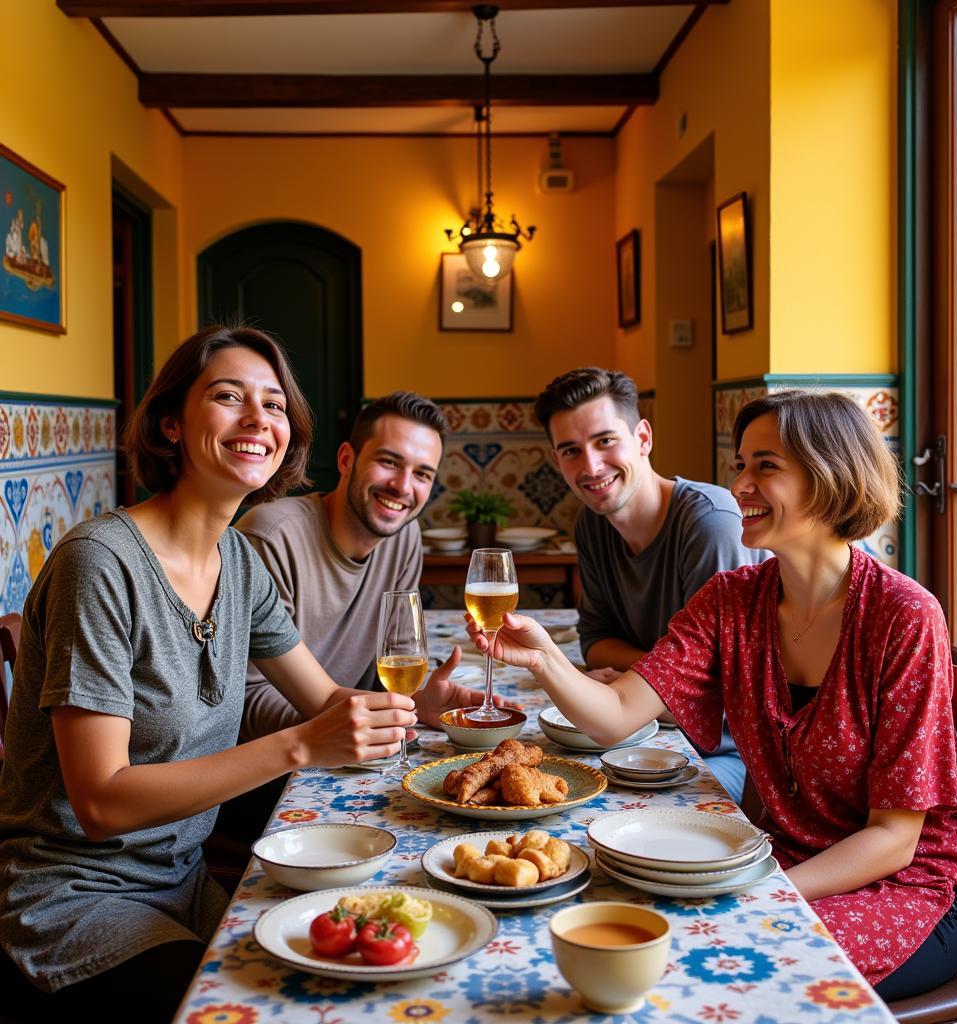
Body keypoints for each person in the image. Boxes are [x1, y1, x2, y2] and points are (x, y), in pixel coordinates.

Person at [468, 389, 957, 999]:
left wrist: (757, 889)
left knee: (721, 961)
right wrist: (544, 659)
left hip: (910, 887)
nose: (740, 483)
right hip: (784, 861)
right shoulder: (732, 601)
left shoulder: (903, 616)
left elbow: (895, 837)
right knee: (626, 925)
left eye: (766, 466)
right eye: (741, 464)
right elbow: (616, 718)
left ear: (830, 476)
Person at [0, 326, 448, 1022]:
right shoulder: (101, 564)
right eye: (229, 397)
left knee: (370, 980)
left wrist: (414, 712)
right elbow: (102, 803)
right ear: (172, 423)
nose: (257, 420)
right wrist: (299, 746)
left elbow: (327, 700)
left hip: (188, 882)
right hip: (76, 899)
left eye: (274, 405)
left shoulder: (237, 562)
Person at [534, 367, 765, 802]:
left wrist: (635, 682)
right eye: (571, 451)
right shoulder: (593, 523)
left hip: (728, 757)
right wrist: (656, 679)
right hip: (645, 734)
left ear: (643, 438)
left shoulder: (709, 524)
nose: (591, 466)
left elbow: (717, 690)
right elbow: (596, 641)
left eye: (605, 441)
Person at [238, 391, 488, 741]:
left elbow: (396, 663)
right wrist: (376, 714)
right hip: (278, 773)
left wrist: (416, 703)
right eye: (389, 462)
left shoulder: (404, 536)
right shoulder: (271, 538)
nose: (403, 487)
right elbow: (248, 703)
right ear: (345, 459)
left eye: (422, 474)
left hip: (353, 752)